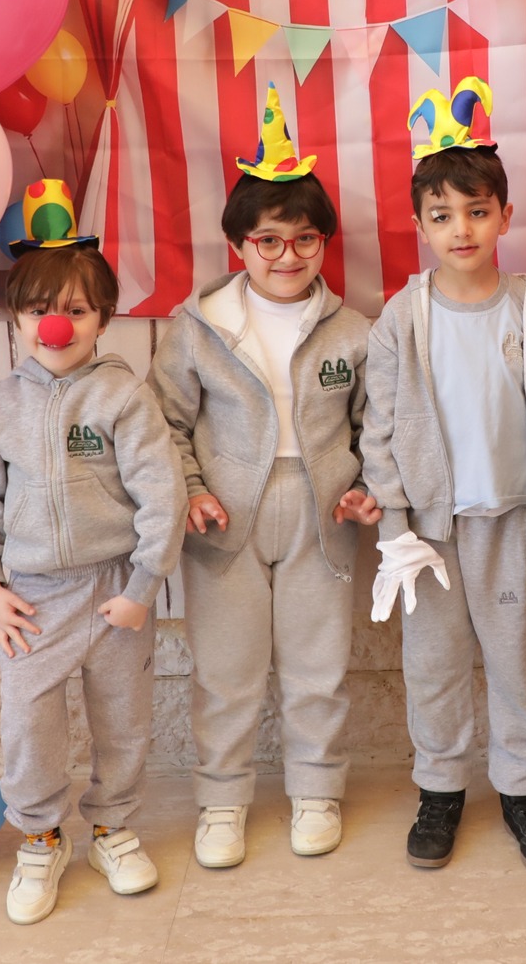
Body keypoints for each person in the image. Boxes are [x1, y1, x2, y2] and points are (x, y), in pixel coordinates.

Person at [361, 77, 526, 875]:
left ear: (505, 214)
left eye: (477, 211)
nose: (461, 228)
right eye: (442, 214)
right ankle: (440, 788)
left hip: (514, 522)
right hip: (430, 533)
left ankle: (524, 789)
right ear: (420, 224)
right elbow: (378, 428)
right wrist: (396, 528)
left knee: (515, 663)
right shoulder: (402, 316)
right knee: (433, 665)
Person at [151, 85, 381, 869]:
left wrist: (367, 484)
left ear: (324, 241)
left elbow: (376, 425)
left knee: (319, 665)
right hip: (224, 520)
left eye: (305, 239)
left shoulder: (352, 330)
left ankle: (317, 788)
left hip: (322, 514)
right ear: (239, 244)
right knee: (227, 670)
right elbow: (164, 423)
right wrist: (191, 490)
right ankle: (222, 800)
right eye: (270, 240)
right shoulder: (198, 328)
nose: (289, 256)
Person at [0, 180, 184, 926]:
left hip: (116, 586)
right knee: (29, 723)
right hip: (32, 598)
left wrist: (143, 586)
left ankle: (113, 827)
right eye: (39, 310)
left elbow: (161, 495)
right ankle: (40, 834)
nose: (56, 325)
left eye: (77, 310)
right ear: (18, 317)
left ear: (102, 319)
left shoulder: (122, 397)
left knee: (123, 719)